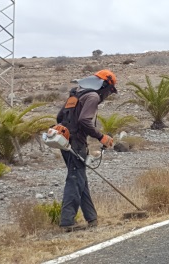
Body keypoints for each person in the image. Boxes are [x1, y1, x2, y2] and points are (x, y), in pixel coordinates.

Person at [54, 69, 117, 232]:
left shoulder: (76, 94)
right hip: (76, 143)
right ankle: (67, 223)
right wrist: (101, 137)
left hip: (64, 141)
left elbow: (59, 117)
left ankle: (91, 218)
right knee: (75, 179)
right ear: (105, 85)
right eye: (110, 91)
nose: (108, 95)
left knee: (80, 178)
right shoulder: (93, 96)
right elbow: (84, 121)